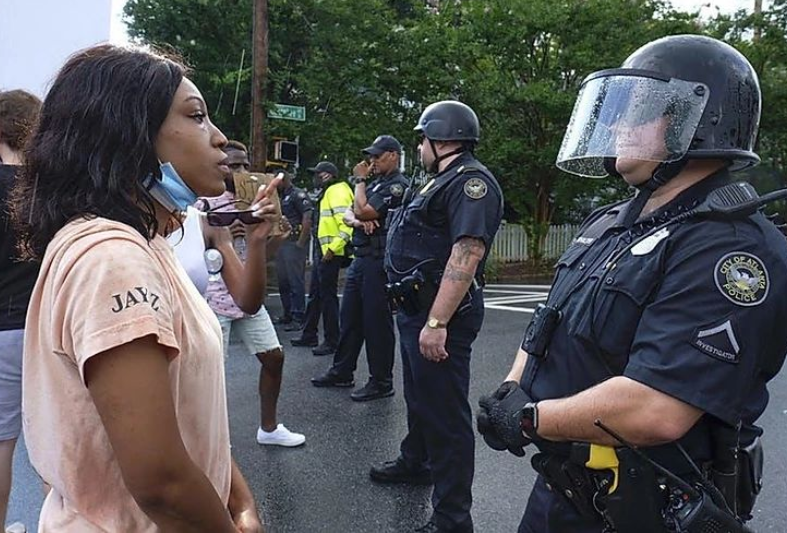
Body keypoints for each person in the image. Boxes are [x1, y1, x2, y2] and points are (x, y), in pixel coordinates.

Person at [476, 35, 787, 533]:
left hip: (646, 508)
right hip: (564, 490)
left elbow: (656, 409)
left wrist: (531, 418)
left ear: (695, 119)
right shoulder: (610, 223)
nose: (617, 123)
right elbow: (547, 321)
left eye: (638, 110)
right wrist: (512, 389)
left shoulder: (730, 249)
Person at [9, 44, 269, 531]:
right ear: (127, 133)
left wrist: (239, 500)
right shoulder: (113, 258)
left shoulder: (142, 245)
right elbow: (162, 484)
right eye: (196, 117)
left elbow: (185, 419)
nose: (219, 139)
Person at [374, 101, 503, 533]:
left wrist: (437, 323)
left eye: (423, 139)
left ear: (442, 139)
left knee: (446, 416)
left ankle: (452, 517)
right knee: (419, 398)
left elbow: (467, 251)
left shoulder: (471, 184)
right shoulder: (439, 179)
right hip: (415, 309)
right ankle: (417, 461)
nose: (419, 146)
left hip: (438, 317)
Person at [202, 141, 305, 447]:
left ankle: (269, 428)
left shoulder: (258, 201)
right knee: (210, 376)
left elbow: (264, 256)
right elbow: (192, 250)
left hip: (249, 298)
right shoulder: (205, 203)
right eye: (234, 165)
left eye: (245, 164)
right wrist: (219, 238)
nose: (242, 171)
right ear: (222, 167)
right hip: (213, 299)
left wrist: (273, 237)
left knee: (274, 358)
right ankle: (211, 441)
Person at [311, 135, 409, 401]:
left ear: (393, 156)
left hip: (379, 262)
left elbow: (364, 211)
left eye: (377, 156)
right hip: (361, 258)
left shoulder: (397, 186)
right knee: (350, 316)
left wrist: (361, 186)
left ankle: (381, 381)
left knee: (376, 322)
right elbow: (350, 214)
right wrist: (358, 218)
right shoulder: (377, 184)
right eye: (371, 156)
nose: (372, 161)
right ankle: (342, 370)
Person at [0, 89, 41, 532]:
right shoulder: (46, 190)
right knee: (58, 438)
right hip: (45, 326)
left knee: (1, 443)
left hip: (2, 330)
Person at [291, 161, 354, 356]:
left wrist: (332, 249)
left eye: (317, 174)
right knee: (317, 295)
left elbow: (347, 225)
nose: (315, 178)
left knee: (328, 298)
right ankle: (309, 333)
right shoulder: (329, 192)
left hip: (330, 254)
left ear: (327, 175)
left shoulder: (337, 192)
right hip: (324, 252)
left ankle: (332, 340)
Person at [273, 171, 313, 331]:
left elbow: (307, 217)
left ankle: (299, 316)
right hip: (282, 243)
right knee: (283, 281)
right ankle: (287, 313)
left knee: (295, 280)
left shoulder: (298, 194)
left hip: (294, 242)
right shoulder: (280, 196)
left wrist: (301, 242)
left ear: (284, 180)